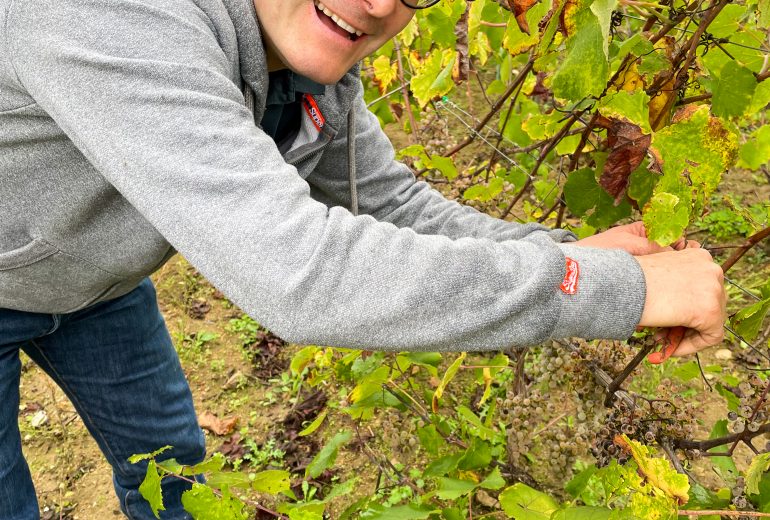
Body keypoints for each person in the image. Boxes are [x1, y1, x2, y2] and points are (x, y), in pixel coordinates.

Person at [0, 0, 726, 518]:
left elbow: (392, 204)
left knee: (177, 477)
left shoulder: (301, 70)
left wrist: (565, 256)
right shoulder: (106, 15)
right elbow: (303, 273)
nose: (378, 5)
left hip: (101, 289)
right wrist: (610, 290)